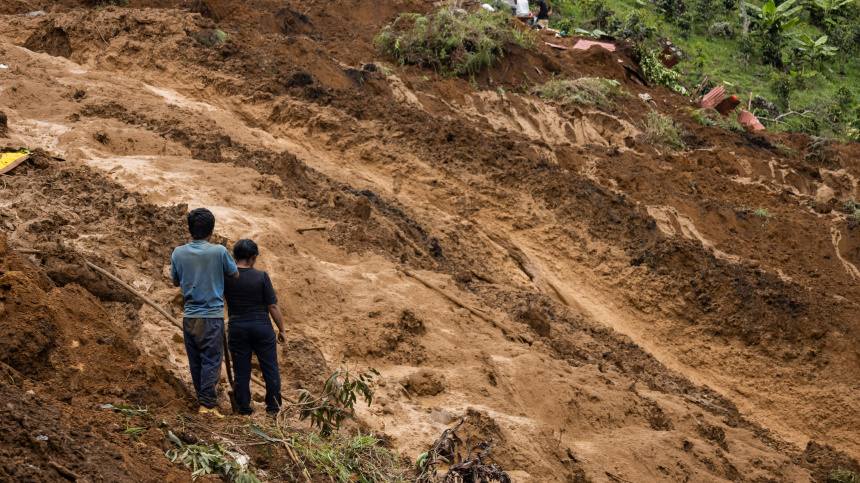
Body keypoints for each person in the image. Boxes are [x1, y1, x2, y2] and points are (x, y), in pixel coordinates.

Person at [171, 208, 239, 416]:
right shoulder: (218, 252)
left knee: (196, 360)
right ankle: (207, 405)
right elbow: (235, 274)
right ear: (212, 230)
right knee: (211, 359)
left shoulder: (178, 252)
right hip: (211, 316)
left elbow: (175, 281)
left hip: (190, 316)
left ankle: (203, 398)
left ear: (190, 229)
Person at [223, 239, 286, 418]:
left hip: (237, 327)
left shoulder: (226, 277)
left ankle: (244, 411)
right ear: (253, 257)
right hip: (261, 327)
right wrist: (282, 330)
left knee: (241, 371)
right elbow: (273, 306)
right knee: (270, 369)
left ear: (234, 256)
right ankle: (273, 410)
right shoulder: (261, 276)